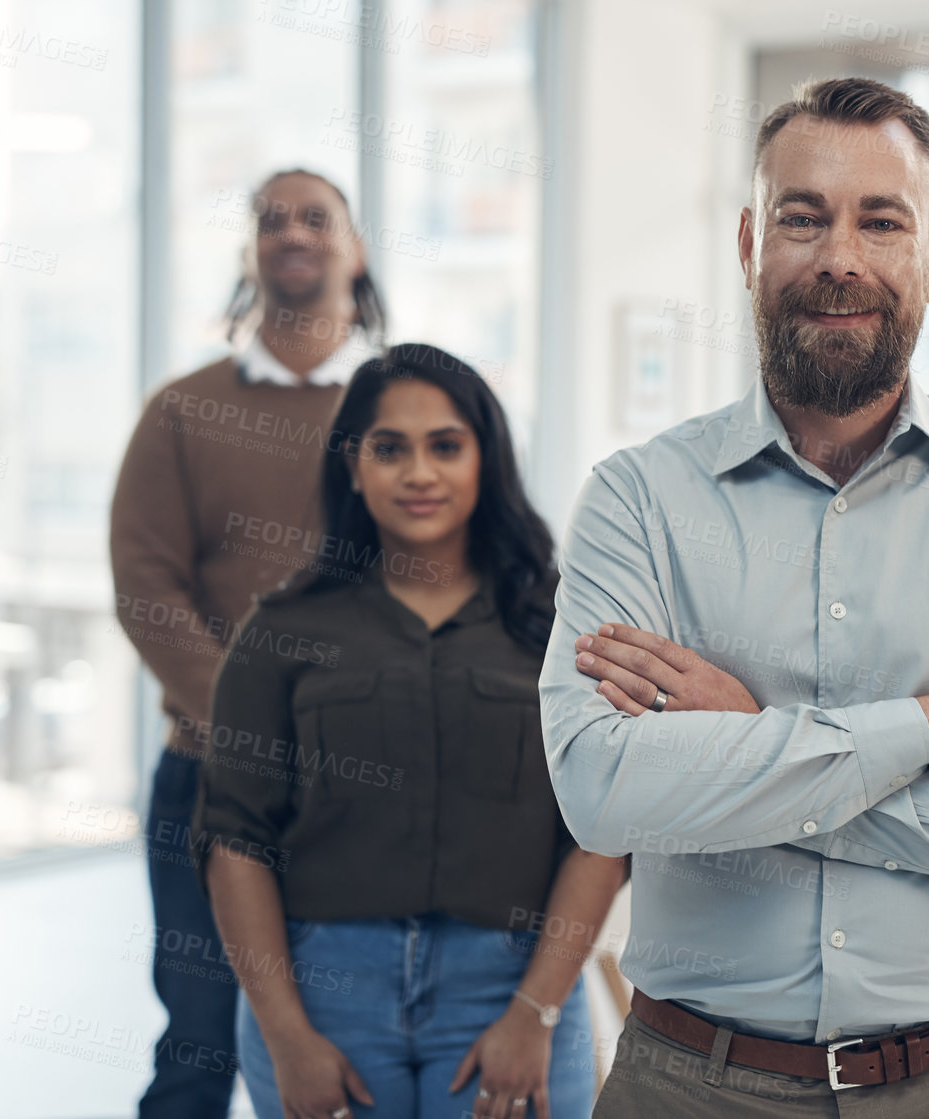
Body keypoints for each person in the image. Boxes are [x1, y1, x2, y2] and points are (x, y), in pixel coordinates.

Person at [536, 76, 929, 1118]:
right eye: (802, 218)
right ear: (746, 245)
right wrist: (921, 730)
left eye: (881, 221)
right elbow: (604, 793)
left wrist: (756, 746)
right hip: (691, 1082)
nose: (839, 259)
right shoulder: (635, 500)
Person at [193, 345, 627, 1119]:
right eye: (388, 448)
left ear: (485, 460)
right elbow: (234, 840)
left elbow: (599, 832)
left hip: (512, 986)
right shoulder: (283, 628)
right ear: (352, 467)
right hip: (324, 989)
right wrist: (287, 1036)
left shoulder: (562, 627)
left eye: (445, 446)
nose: (418, 472)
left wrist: (534, 1013)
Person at [110, 168, 384, 1118]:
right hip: (208, 780)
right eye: (271, 219)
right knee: (196, 1046)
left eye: (316, 216)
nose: (291, 232)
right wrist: (258, 722)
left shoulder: (407, 418)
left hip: (367, 788)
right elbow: (146, 589)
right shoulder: (183, 411)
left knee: (356, 1050)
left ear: (355, 248)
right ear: (250, 252)